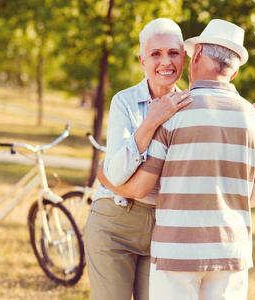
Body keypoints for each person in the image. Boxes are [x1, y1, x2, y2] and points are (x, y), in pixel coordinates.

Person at [103, 19, 255, 300]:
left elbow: (141, 186)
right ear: (235, 70)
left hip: (176, 253)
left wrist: (104, 175)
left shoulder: (172, 114)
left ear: (199, 54)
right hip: (232, 254)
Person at [85, 18, 193, 300]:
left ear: (184, 57)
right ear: (142, 60)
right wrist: (152, 120)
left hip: (164, 231)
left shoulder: (192, 108)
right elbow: (117, 173)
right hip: (114, 223)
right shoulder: (124, 102)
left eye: (173, 53)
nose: (165, 62)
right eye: (156, 54)